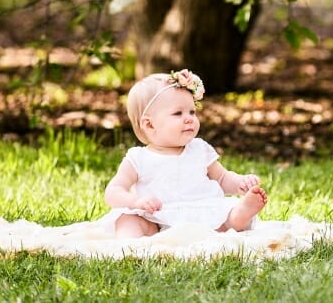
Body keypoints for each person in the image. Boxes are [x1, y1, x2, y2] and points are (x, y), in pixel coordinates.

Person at [102, 68, 268, 238]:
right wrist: (134, 202)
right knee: (127, 219)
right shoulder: (138, 158)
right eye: (178, 113)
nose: (189, 118)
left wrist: (240, 183)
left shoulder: (199, 149)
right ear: (150, 125)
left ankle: (238, 217)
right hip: (158, 218)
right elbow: (113, 191)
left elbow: (222, 178)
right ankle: (131, 245)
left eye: (192, 112)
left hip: (203, 214)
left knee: (226, 215)